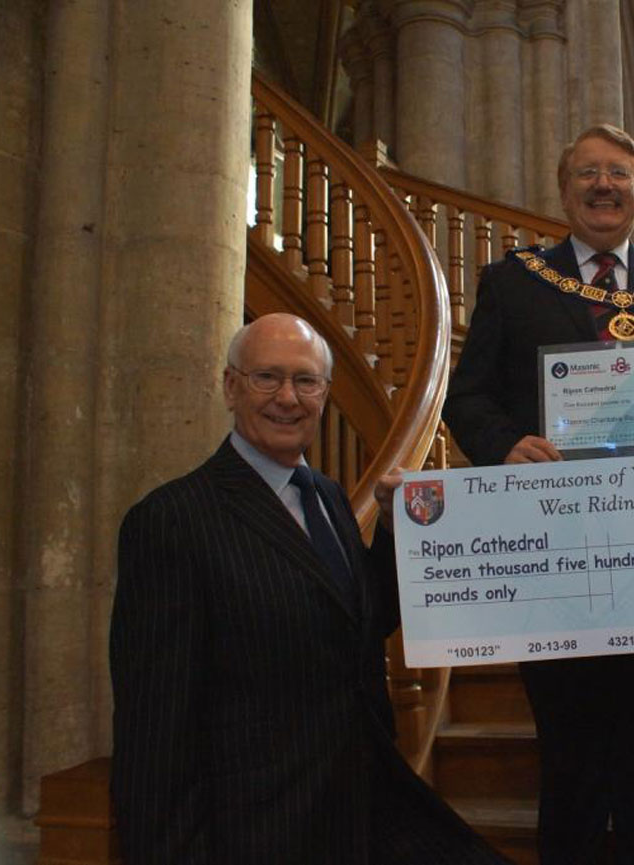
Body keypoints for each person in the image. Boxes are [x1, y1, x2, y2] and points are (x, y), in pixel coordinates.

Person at [111, 313, 508, 865]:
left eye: (306, 381)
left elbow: (360, 624)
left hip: (364, 801)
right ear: (230, 386)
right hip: (259, 827)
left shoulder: (327, 496)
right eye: (266, 378)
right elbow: (154, 731)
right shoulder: (172, 520)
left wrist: (396, 537)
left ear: (325, 393)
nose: (287, 398)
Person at [442, 125, 634, 864]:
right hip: (553, 556)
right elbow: (465, 399)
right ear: (563, 192)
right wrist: (502, 444)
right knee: (567, 750)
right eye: (588, 172)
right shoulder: (513, 282)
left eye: (619, 173)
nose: (604, 185)